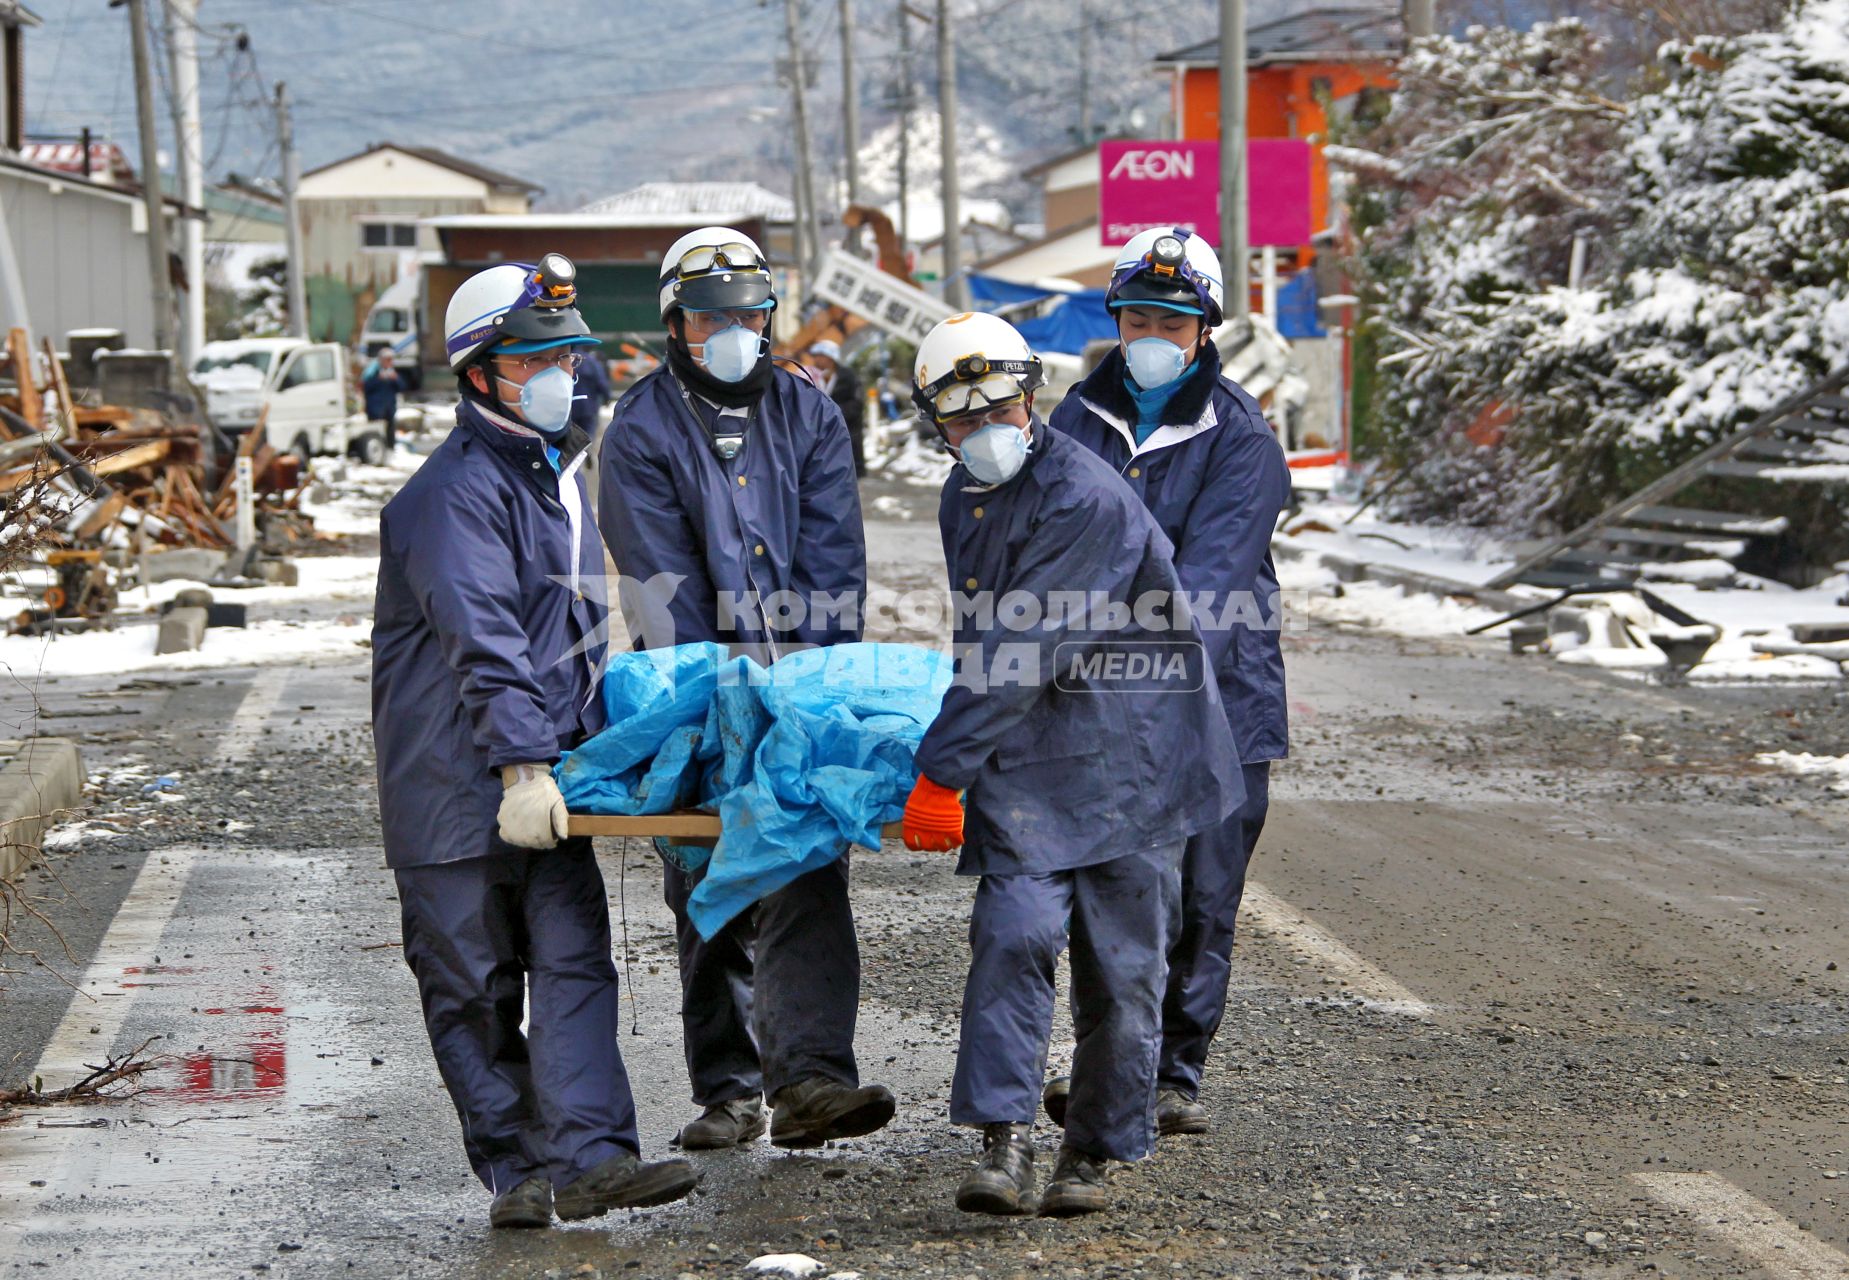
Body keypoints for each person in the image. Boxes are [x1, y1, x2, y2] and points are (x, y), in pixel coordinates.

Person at [371, 253, 697, 1230]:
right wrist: (520, 763)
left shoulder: (554, 480)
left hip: (546, 778)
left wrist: (600, 751)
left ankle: (592, 1158)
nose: (564, 373)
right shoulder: (449, 496)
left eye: (568, 353)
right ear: (481, 374)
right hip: (454, 785)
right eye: (538, 357)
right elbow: (485, 636)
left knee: (573, 960)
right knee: (472, 985)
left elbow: (567, 639)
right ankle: (515, 1166)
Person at [900, 312, 1244, 1218]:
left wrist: (941, 767)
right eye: (960, 421)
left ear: (1029, 400)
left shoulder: (1084, 499)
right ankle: (1001, 1142)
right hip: (1029, 749)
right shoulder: (961, 495)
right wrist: (968, 744)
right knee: (1012, 937)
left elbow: (1022, 644)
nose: (981, 433)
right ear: (936, 425)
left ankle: (1091, 1150)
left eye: (997, 410)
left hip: (1131, 753)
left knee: (1123, 970)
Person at [598, 226, 893, 1153]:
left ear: (770, 318)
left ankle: (808, 1081)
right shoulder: (640, 429)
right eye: (709, 317)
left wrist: (806, 694)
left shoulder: (811, 415)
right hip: (693, 686)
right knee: (708, 871)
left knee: (807, 858)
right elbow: (662, 585)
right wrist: (726, 708)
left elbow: (834, 562)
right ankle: (726, 1086)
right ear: (675, 325)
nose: (731, 330)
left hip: (803, 684)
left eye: (747, 314)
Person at [1044, 227, 1290, 1137]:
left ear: (1203, 330)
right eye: (1136, 316)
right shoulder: (1071, 419)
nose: (1150, 334)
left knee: (1199, 892)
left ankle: (1173, 1069)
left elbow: (1209, 589)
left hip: (1218, 704)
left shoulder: (1243, 438)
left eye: (1172, 320)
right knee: (1106, 891)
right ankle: (1112, 1069)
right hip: (1093, 704)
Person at [803, 338, 866, 475]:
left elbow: (857, 403)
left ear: (830, 357)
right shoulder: (810, 376)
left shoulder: (849, 377)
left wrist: (833, 413)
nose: (816, 360)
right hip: (821, 433)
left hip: (847, 430)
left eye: (820, 356)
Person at [362, 347, 400, 454]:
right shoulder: (372, 371)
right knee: (376, 433)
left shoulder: (392, 372)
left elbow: (401, 387)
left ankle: (390, 451)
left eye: (391, 360)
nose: (389, 362)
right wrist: (378, 379)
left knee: (390, 432)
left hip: (389, 408)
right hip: (375, 409)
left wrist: (395, 379)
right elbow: (366, 386)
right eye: (387, 359)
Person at [570, 346, 613, 434]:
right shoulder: (591, 361)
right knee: (587, 438)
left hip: (569, 408)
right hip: (588, 408)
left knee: (569, 440)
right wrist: (607, 398)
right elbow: (601, 383)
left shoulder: (563, 361)